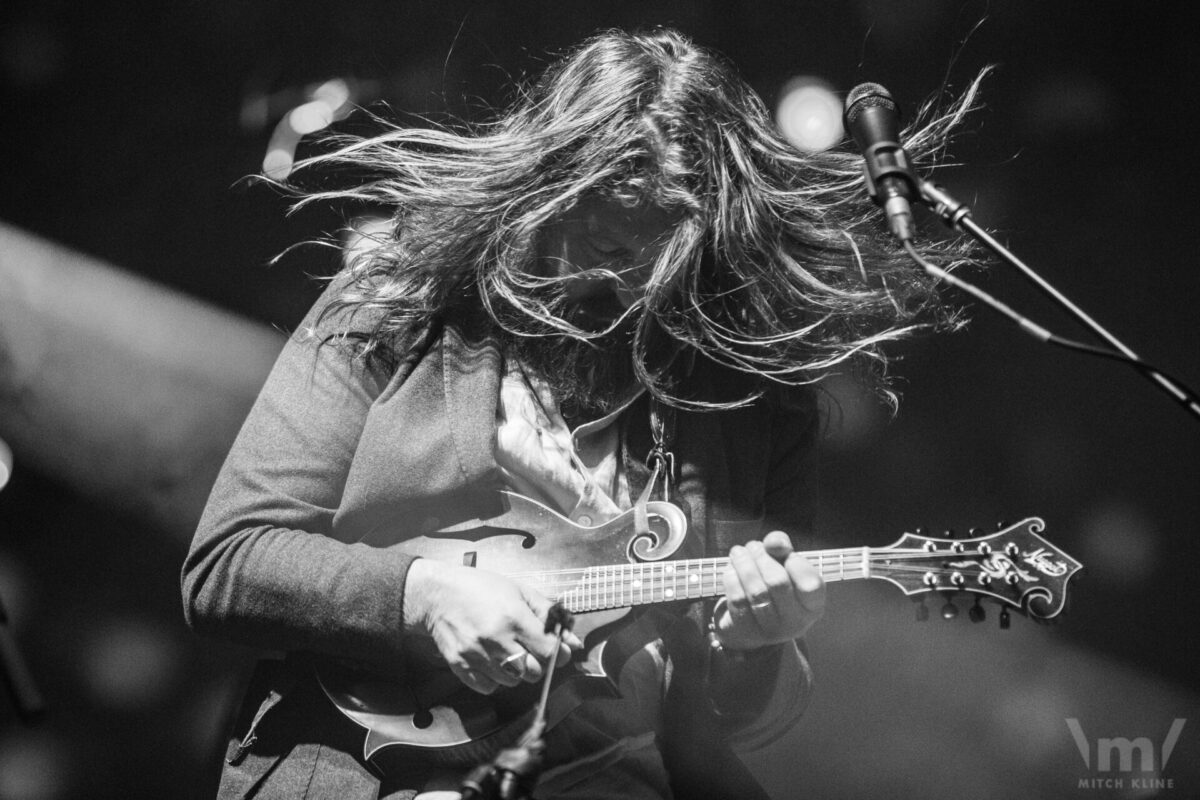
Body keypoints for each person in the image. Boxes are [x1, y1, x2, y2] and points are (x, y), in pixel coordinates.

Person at [182, 27, 976, 800]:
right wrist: (422, 596)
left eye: (651, 255)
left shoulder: (754, 395)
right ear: (540, 196)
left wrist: (753, 643)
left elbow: (734, 714)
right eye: (591, 240)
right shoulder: (397, 298)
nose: (616, 285)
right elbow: (231, 560)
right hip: (374, 768)